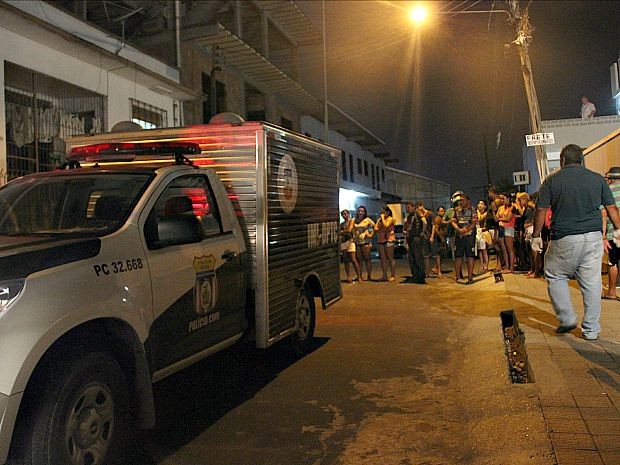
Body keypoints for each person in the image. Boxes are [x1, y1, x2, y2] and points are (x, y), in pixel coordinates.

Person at [532, 144, 620, 341]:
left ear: (562, 161)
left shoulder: (552, 180)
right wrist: (619, 229)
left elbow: (541, 211)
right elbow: (611, 207)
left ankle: (567, 317)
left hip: (565, 236)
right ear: (581, 160)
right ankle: (591, 330)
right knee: (591, 283)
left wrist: (536, 235)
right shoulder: (597, 179)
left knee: (555, 275)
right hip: (593, 237)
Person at [450, 194, 478, 284]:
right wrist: (458, 229)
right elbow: (453, 221)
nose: (460, 202)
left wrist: (465, 231)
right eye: (459, 200)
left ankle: (470, 277)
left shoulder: (473, 210)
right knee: (458, 256)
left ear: (468, 201)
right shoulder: (457, 210)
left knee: (470, 255)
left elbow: (473, 223)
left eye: (462, 200)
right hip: (459, 236)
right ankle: (458, 276)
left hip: (469, 235)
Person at [601, 167, 620, 299]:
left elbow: (603, 213)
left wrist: (602, 236)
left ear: (610, 179)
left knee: (612, 262)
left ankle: (612, 292)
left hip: (614, 233)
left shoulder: (607, 192)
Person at [405, 201, 426, 284]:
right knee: (412, 258)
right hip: (411, 239)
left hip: (416, 238)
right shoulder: (409, 216)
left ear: (413, 207)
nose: (407, 209)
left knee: (418, 258)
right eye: (406, 208)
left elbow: (424, 222)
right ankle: (416, 274)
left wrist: (421, 232)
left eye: (408, 208)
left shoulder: (416, 214)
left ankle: (420, 275)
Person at [375, 205, 397, 282]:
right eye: (381, 212)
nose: (382, 214)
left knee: (390, 258)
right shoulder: (379, 219)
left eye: (383, 212)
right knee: (383, 259)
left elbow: (386, 225)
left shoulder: (391, 219)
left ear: (387, 212)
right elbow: (375, 228)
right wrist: (380, 221)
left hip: (389, 240)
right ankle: (384, 275)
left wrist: (383, 219)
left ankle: (393, 275)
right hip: (381, 240)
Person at [353, 205, 375, 281]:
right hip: (357, 242)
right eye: (359, 211)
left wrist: (368, 234)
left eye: (362, 211)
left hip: (365, 242)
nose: (360, 212)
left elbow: (372, 230)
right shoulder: (354, 220)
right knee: (359, 260)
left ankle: (369, 276)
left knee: (367, 259)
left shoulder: (368, 220)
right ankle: (359, 276)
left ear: (364, 212)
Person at [496, 194, 516, 273]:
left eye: (503, 199)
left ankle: (511, 267)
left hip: (509, 228)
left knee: (510, 248)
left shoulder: (512, 207)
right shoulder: (501, 208)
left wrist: (500, 219)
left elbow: (508, 219)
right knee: (504, 249)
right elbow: (496, 218)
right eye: (501, 199)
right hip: (501, 228)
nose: (502, 201)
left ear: (508, 199)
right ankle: (507, 266)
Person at [340, 209, 361, 283]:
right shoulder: (342, 224)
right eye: (343, 214)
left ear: (348, 214)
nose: (344, 215)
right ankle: (348, 276)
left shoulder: (351, 221)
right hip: (344, 242)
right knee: (346, 260)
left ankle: (359, 276)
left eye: (345, 214)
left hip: (350, 241)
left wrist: (342, 231)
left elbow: (349, 230)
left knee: (353, 259)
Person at [415, 201, 434, 276]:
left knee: (428, 255)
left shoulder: (429, 214)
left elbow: (433, 225)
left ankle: (427, 272)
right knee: (423, 255)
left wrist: (432, 236)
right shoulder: (418, 214)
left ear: (421, 206)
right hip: (421, 236)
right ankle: (425, 271)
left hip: (427, 235)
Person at [429, 206, 447, 276]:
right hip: (439, 239)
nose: (442, 212)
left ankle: (436, 267)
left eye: (443, 211)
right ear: (438, 212)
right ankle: (438, 269)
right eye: (441, 211)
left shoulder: (441, 218)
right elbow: (436, 229)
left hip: (442, 238)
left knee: (442, 254)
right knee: (439, 254)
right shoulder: (437, 219)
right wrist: (440, 237)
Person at [476, 200, 489, 273]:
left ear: (485, 206)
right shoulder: (476, 213)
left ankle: (486, 265)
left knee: (484, 249)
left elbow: (480, 218)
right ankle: (481, 264)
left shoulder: (486, 213)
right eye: (479, 203)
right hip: (477, 232)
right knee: (479, 250)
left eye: (482, 204)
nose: (479, 205)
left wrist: (478, 212)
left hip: (483, 232)